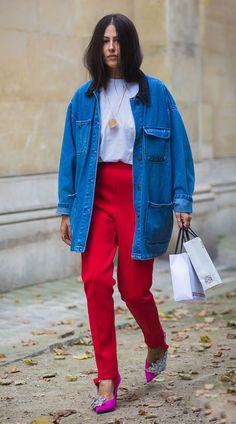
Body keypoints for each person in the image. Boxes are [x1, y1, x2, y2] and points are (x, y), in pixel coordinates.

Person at [56, 13, 194, 414]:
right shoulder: (83, 97)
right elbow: (69, 154)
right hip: (94, 197)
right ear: (97, 47)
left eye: (117, 40)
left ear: (129, 45)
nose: (111, 47)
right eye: (104, 40)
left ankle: (156, 341)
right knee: (95, 281)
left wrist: (182, 200)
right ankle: (106, 377)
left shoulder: (156, 93)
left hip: (141, 197)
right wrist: (65, 207)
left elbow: (180, 149)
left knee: (134, 290)